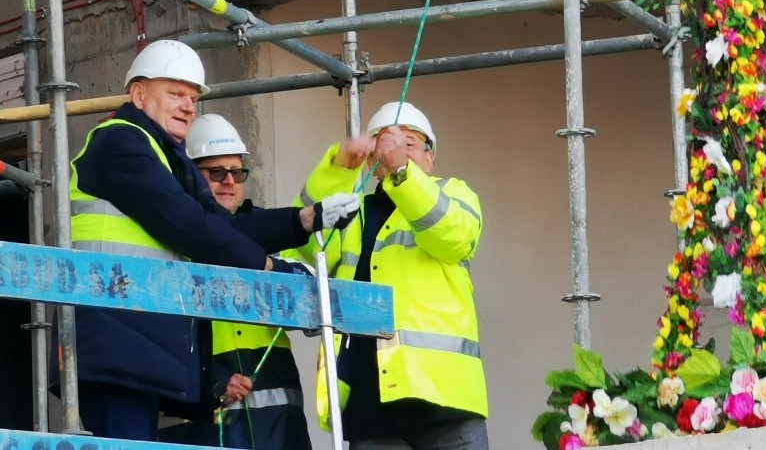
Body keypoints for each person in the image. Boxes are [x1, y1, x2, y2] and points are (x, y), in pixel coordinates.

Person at [64, 39, 359, 442]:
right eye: (175, 93)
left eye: (193, 97)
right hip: (116, 336)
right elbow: (187, 224)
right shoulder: (119, 142)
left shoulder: (163, 153)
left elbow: (220, 226)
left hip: (138, 338)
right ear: (138, 93)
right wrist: (269, 267)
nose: (188, 105)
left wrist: (305, 220)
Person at [298, 101, 489, 449]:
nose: (396, 151)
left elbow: (455, 237)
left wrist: (402, 173)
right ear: (372, 161)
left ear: (430, 157)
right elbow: (306, 244)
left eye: (409, 144)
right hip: (368, 407)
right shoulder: (352, 213)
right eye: (385, 146)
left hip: (444, 400)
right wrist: (339, 171)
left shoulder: (453, 193)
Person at [186, 113, 313, 450]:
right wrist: (213, 382)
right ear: (189, 176)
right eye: (216, 172)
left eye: (237, 172)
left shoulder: (263, 237)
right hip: (207, 429)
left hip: (279, 429)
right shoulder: (173, 247)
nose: (229, 180)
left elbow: (310, 295)